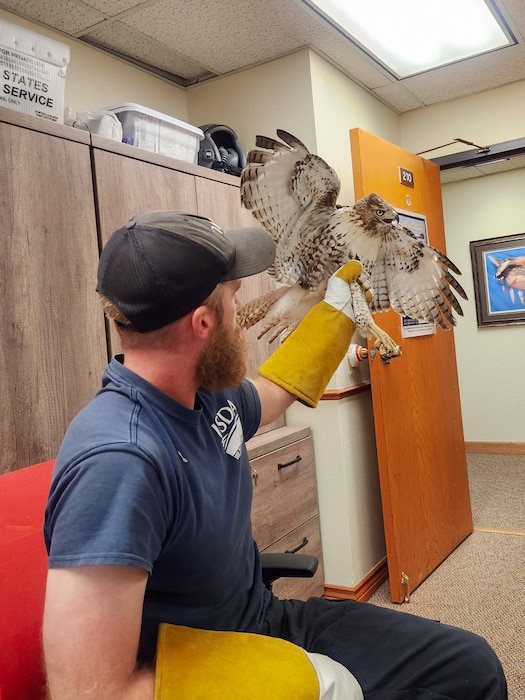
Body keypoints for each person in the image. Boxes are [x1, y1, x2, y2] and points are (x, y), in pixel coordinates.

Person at [43, 210, 507, 699]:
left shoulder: (202, 395)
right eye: (232, 293)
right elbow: (89, 692)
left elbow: (269, 394)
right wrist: (271, 684)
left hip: (264, 620)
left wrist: (335, 320)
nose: (242, 301)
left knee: (469, 669)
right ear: (203, 322)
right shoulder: (119, 462)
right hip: (196, 668)